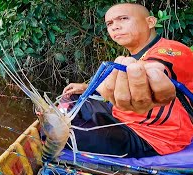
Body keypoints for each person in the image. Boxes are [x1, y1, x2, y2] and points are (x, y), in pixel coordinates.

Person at [62, 3, 193, 158]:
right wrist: (86, 87)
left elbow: (157, 67)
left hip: (152, 136)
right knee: (73, 97)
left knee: (60, 136)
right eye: (109, 23)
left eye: (123, 19)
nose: (115, 27)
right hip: (122, 118)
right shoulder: (133, 56)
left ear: (150, 22)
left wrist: (148, 75)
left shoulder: (173, 50)